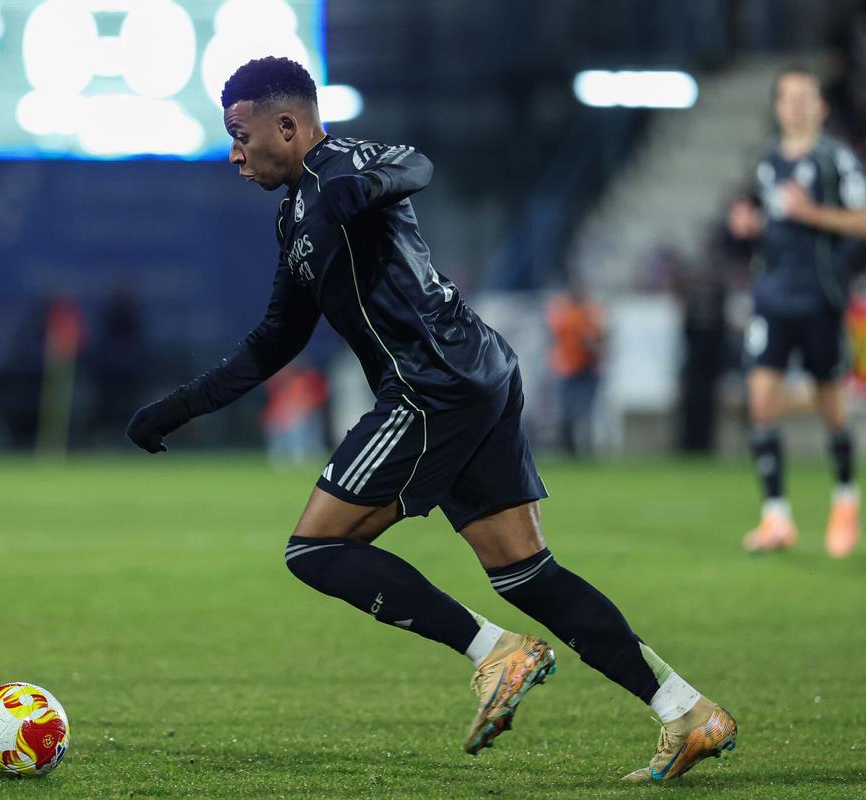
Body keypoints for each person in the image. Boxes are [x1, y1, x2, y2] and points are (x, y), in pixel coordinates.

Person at [128, 57, 736, 781]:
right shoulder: (295, 214)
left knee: (314, 551)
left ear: (286, 126)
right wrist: (179, 407)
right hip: (471, 373)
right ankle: (687, 709)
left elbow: (414, 165)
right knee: (526, 576)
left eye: (240, 135)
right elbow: (275, 339)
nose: (233, 154)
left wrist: (361, 189)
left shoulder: (343, 168)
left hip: (430, 385)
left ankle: (497, 654)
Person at [727, 68, 866, 558]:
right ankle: (776, 518)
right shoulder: (766, 160)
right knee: (761, 399)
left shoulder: (836, 159)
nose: (796, 106)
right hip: (772, 296)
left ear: (821, 107)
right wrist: (750, 224)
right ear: (778, 105)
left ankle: (846, 499)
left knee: (831, 405)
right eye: (787, 97)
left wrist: (812, 213)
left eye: (805, 97)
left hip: (820, 297)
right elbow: (771, 220)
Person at [546, 280, 606, 456]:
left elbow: (596, 338)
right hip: (570, 367)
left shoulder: (589, 311)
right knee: (571, 411)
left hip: (586, 367)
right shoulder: (569, 312)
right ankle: (570, 449)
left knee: (582, 411)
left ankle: (581, 449)